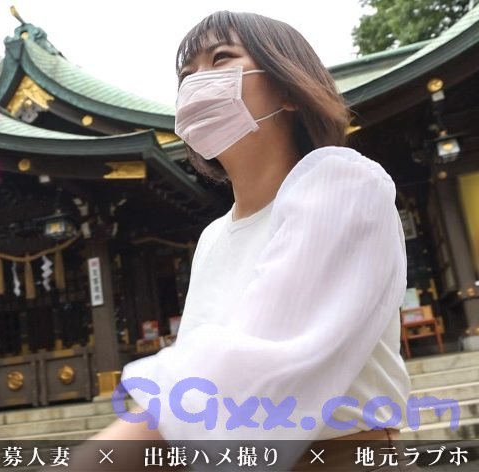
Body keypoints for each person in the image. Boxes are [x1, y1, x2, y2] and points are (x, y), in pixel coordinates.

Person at [82, 10, 417, 472]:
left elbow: (242, 375)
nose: (196, 82)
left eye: (221, 57)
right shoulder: (211, 238)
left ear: (288, 88)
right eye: (186, 74)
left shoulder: (343, 183)